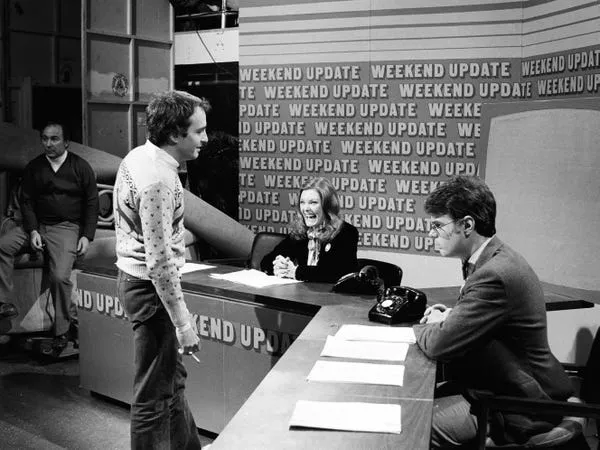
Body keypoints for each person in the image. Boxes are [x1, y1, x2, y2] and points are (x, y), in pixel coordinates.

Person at [413, 175, 573, 448]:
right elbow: (492, 324)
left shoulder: (494, 274)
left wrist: (421, 326)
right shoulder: (492, 258)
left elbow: (439, 344)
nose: (430, 234)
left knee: (409, 426)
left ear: (467, 225)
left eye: (438, 226)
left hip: (520, 406)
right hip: (500, 386)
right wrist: (452, 317)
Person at [113, 90, 209, 449]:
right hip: (151, 291)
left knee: (171, 381)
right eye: (198, 131)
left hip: (142, 285)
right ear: (174, 134)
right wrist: (184, 324)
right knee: (154, 394)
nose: (205, 139)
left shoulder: (141, 156)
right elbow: (159, 262)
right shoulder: (158, 181)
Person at [0, 121, 98, 344]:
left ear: (66, 142)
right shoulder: (35, 167)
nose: (48, 144)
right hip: (36, 225)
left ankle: (62, 331)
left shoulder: (80, 167)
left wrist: (87, 235)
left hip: (65, 227)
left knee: (60, 277)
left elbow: (92, 202)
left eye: (54, 139)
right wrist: (33, 230)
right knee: (3, 246)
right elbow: (26, 201)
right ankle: (3, 302)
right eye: (45, 139)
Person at [260, 177, 358, 282]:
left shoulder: (346, 232)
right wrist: (279, 266)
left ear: (327, 206)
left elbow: (336, 273)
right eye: (302, 202)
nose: (306, 208)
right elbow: (266, 261)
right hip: (302, 295)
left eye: (313, 202)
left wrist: (296, 272)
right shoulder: (301, 232)